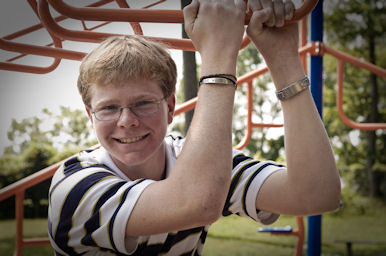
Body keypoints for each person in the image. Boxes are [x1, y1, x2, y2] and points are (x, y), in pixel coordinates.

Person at [48, 0, 341, 255]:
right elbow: (194, 203)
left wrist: (284, 59)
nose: (127, 121)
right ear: (90, 115)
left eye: (143, 103)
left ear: (171, 107)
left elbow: (315, 193)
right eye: (109, 108)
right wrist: (217, 56)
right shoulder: (73, 186)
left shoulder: (199, 161)